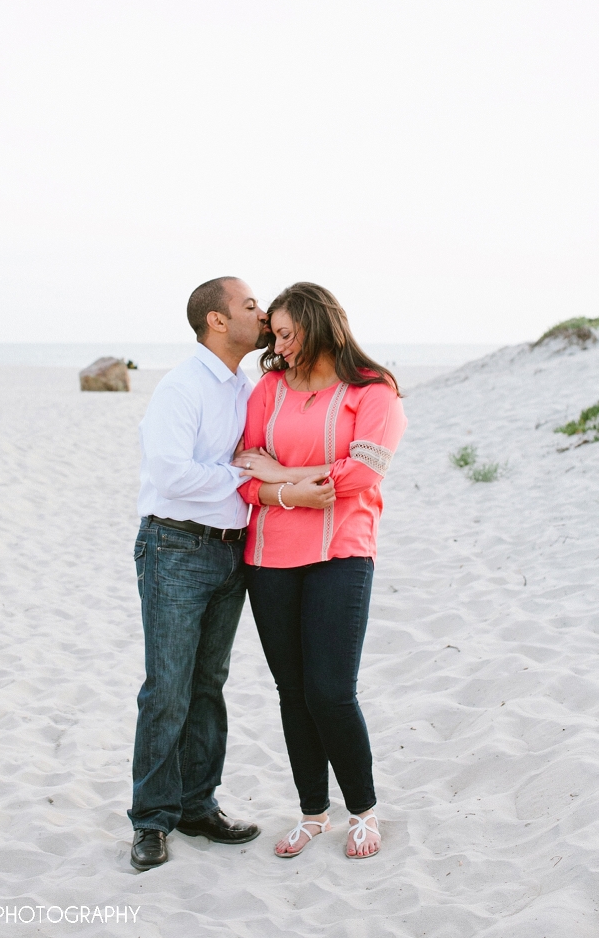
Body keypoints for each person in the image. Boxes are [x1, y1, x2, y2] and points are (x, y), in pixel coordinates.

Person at [232, 282, 406, 860]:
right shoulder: (268, 390)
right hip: (268, 558)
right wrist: (286, 489)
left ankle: (364, 811)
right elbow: (242, 474)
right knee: (293, 693)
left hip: (342, 552)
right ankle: (313, 812)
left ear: (318, 325)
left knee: (330, 691)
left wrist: (280, 470)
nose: (277, 346)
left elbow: (360, 475)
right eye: (273, 335)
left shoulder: (374, 392)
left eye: (286, 333)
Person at [128, 276, 269, 871]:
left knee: (209, 685)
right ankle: (152, 821)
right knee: (167, 688)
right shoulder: (182, 387)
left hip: (231, 551)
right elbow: (170, 474)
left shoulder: (248, 386)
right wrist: (242, 476)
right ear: (217, 321)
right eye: (250, 305)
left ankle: (197, 805)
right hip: (175, 548)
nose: (261, 314)